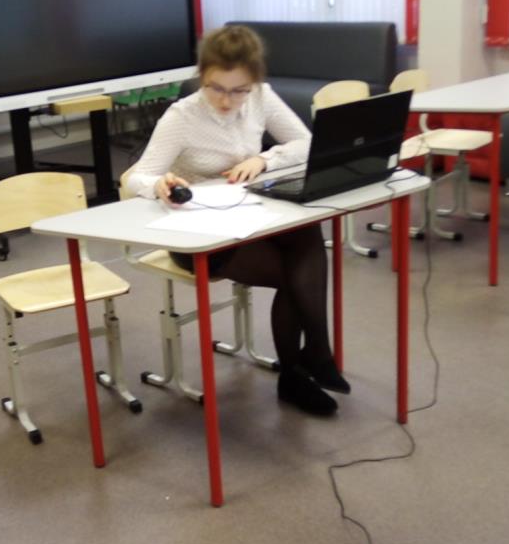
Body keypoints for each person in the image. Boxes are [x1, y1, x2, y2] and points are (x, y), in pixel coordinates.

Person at [126, 24, 350, 416]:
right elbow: (134, 178)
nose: (226, 100)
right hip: (200, 235)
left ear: (254, 83)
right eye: (215, 88)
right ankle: (307, 362)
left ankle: (311, 357)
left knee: (305, 232)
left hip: (250, 217)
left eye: (238, 90)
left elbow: (307, 142)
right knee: (296, 273)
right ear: (202, 75)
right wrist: (158, 184)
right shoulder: (181, 117)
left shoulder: (261, 96)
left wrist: (264, 159)